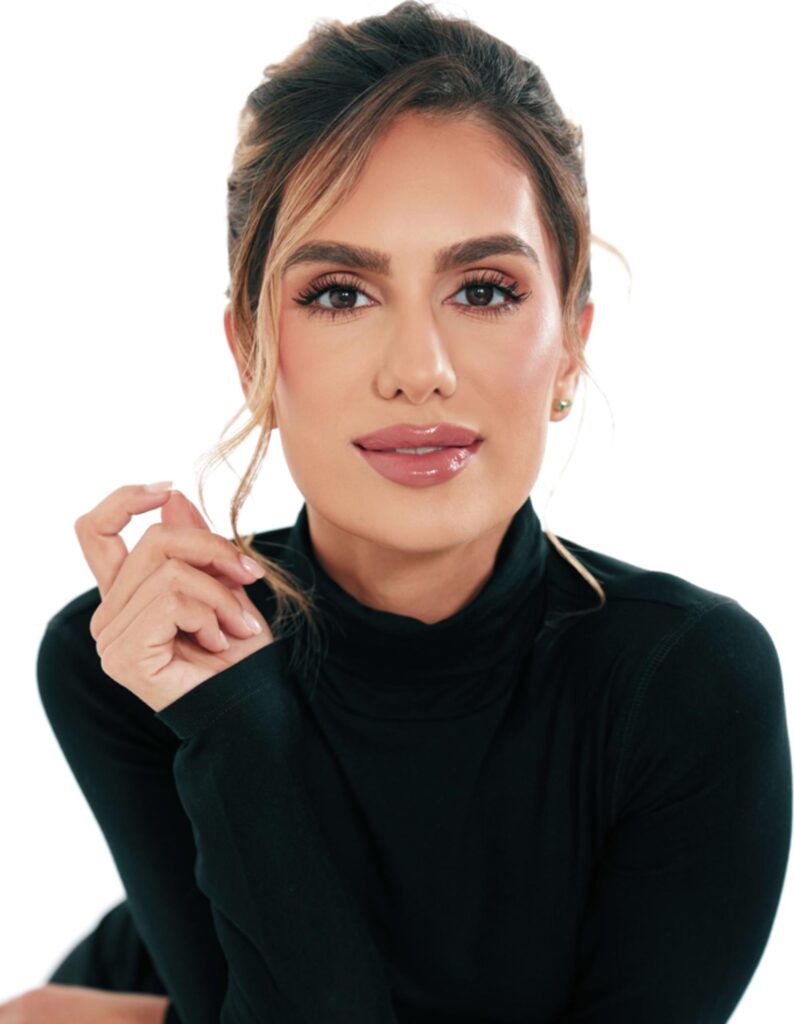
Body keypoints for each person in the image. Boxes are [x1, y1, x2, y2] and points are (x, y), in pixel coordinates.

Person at [13, 1, 791, 1022]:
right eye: (340, 292)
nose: (419, 371)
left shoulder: (685, 686)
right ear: (251, 352)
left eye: (483, 289)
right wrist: (231, 719)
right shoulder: (140, 655)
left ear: (570, 346)